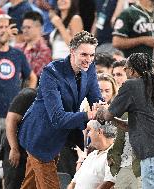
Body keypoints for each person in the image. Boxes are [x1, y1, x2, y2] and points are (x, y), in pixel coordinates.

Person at [18, 31, 102, 189]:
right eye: (84, 54)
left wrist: (102, 107)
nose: (88, 60)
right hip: (39, 135)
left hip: (58, 137)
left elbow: (96, 99)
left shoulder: (90, 69)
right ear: (72, 51)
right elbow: (57, 117)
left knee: (30, 185)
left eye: (92, 55)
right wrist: (88, 114)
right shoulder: (51, 72)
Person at [96, 53, 154, 189]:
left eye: (126, 69)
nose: (125, 72)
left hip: (153, 152)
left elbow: (108, 114)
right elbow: (132, 126)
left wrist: (101, 110)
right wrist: (114, 120)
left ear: (132, 70)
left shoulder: (131, 85)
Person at [0, 14, 33, 189]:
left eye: (6, 27)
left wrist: (25, 97)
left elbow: (31, 77)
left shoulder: (17, 54)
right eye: (0, 27)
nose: (3, 30)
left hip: (13, 117)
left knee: (12, 163)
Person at [3, 88, 37, 189]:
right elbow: (10, 120)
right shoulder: (28, 95)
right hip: (16, 148)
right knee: (14, 182)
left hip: (32, 150)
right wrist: (14, 148)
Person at [67, 120, 116, 189]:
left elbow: (109, 183)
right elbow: (74, 181)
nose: (88, 134)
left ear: (100, 132)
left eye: (90, 130)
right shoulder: (92, 154)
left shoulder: (114, 154)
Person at [15, 11, 51, 79]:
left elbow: (35, 75)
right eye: (23, 27)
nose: (25, 31)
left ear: (39, 28)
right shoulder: (17, 48)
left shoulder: (45, 51)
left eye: (28, 27)